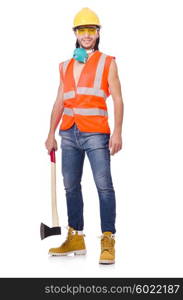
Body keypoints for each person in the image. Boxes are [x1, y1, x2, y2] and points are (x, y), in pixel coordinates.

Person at [45, 7, 124, 264]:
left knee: (104, 187)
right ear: (76, 34)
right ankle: (76, 237)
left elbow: (119, 100)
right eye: (82, 31)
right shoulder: (65, 65)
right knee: (70, 186)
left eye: (91, 30)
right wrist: (50, 134)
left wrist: (118, 133)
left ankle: (108, 239)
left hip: (96, 133)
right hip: (68, 132)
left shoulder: (107, 62)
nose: (86, 35)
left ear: (98, 33)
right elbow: (59, 102)